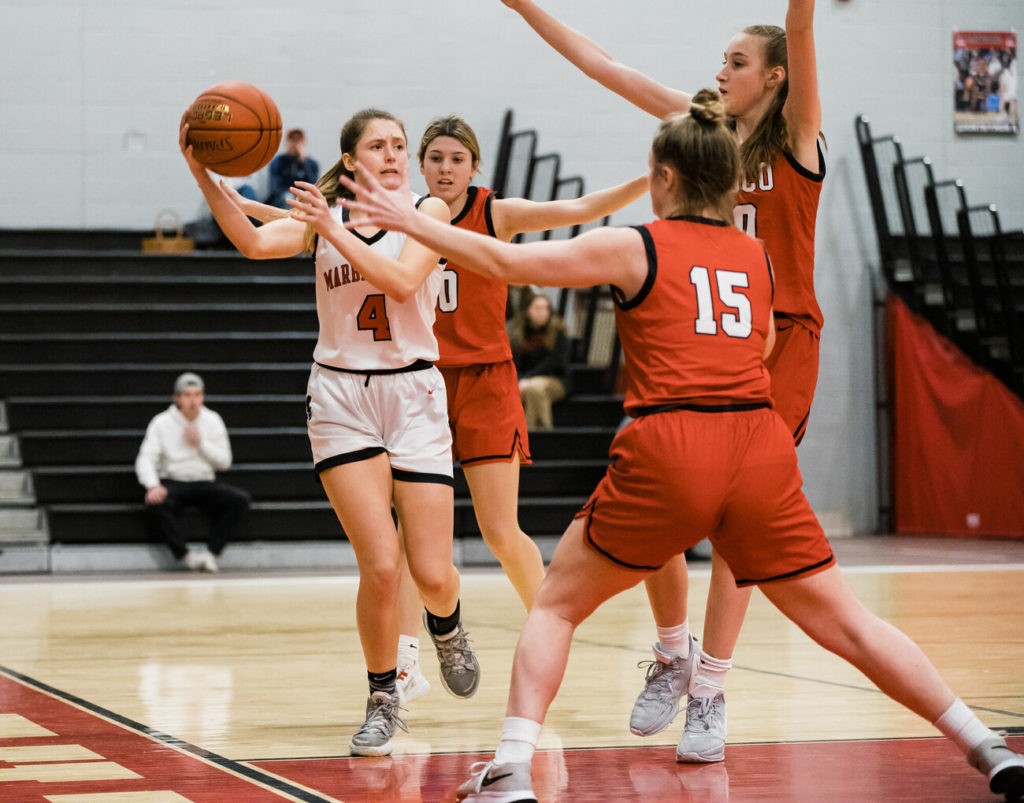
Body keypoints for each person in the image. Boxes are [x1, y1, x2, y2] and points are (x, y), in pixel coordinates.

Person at [341, 88, 1024, 803]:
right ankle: (984, 741)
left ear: (663, 177)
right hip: (759, 443)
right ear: (728, 181)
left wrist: (397, 218)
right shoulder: (754, 255)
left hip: (672, 439)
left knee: (556, 606)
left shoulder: (635, 242)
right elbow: (761, 344)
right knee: (849, 621)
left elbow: (509, 266)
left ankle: (511, 767)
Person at [501, 0, 827, 761]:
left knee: (742, 526)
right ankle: (674, 650)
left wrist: (799, 13)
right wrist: (525, 8)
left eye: (737, 62)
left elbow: (805, 29)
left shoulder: (800, 137)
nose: (720, 71)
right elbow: (603, 66)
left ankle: (710, 688)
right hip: (691, 327)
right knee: (659, 483)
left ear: (776, 78)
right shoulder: (703, 130)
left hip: (781, 343)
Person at [226, 112, 647, 700]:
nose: (445, 169)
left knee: (500, 529)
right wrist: (234, 196)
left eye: (457, 159)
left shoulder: (489, 212)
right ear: (420, 167)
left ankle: (548, 629)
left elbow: (578, 211)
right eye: (435, 159)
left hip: (480, 378)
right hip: (413, 377)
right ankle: (405, 661)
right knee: (395, 545)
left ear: (475, 167)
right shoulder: (400, 211)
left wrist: (648, 178)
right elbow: (313, 230)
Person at [179, 107, 480, 758]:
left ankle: (448, 626)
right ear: (352, 160)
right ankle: (381, 697)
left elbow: (400, 278)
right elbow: (255, 241)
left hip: (415, 391)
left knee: (431, 572)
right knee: (379, 563)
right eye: (380, 145)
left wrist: (324, 230)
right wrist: (202, 174)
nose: (396, 154)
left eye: (402, 143)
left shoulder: (431, 209)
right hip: (341, 395)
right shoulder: (327, 219)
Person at [134, 371, 250, 572]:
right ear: (177, 398)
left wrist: (200, 444)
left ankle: (211, 553)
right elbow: (145, 458)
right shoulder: (161, 422)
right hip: (173, 481)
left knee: (239, 500)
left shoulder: (213, 420)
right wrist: (152, 485)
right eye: (187, 395)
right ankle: (185, 557)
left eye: (197, 395)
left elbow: (225, 461)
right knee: (156, 502)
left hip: (204, 482)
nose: (192, 400)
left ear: (202, 397)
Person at [508, 290, 570, 431]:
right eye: (537, 308)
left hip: (555, 379)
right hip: (526, 381)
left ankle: (540, 433)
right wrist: (520, 380)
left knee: (535, 388)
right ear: (528, 311)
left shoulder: (558, 331)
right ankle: (530, 436)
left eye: (545, 309)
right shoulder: (518, 333)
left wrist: (528, 379)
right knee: (529, 390)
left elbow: (555, 363)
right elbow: (515, 363)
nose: (542, 313)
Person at [266, 128, 320, 209]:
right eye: (292, 140)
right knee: (288, 197)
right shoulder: (278, 162)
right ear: (287, 142)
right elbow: (274, 189)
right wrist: (295, 195)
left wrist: (303, 162)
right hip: (282, 200)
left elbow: (314, 186)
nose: (295, 144)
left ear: (303, 143)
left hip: (304, 199)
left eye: (298, 140)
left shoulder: (312, 164)